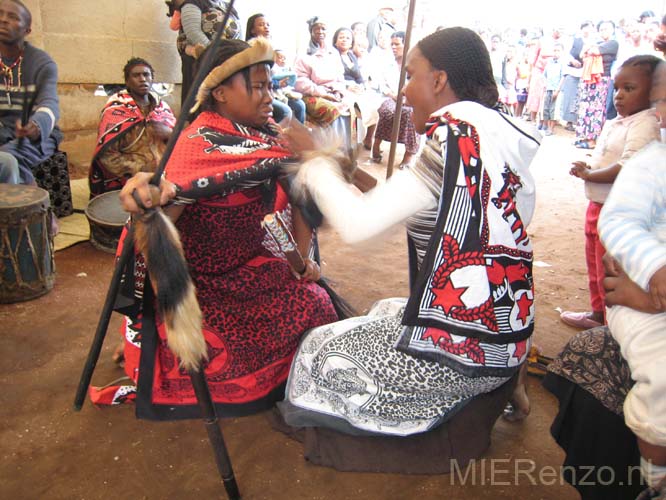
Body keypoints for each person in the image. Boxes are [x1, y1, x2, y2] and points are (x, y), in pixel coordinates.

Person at [278, 26, 540, 440]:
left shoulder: (453, 141)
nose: (403, 91)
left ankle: (454, 398)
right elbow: (409, 204)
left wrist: (315, 160)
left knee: (319, 350)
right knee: (385, 309)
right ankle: (510, 382)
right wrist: (344, 166)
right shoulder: (490, 137)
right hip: (506, 336)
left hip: (466, 353)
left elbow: (360, 228)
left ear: (439, 80)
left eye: (411, 75)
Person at [101, 38, 339, 416]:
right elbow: (152, 243)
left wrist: (301, 261)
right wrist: (156, 320)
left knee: (317, 303)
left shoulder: (269, 138)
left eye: (270, 86)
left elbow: (299, 199)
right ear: (222, 93)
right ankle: (149, 345)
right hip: (200, 283)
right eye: (258, 87)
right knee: (214, 350)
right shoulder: (193, 149)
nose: (268, 96)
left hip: (248, 266)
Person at [544, 61, 666, 500]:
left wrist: (651, 297)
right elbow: (627, 226)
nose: (660, 114)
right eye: (658, 101)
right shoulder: (654, 159)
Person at [597, 60, 666, 500]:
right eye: (661, 104)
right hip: (641, 285)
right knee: (663, 374)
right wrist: (656, 270)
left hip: (652, 298)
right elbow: (619, 221)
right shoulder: (653, 163)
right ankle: (656, 479)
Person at [560, 55, 662, 330]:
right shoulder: (617, 122)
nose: (618, 96)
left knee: (613, 270)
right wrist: (588, 165)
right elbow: (606, 157)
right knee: (595, 267)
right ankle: (598, 313)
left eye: (629, 89)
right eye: (616, 88)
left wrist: (590, 175)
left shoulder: (646, 123)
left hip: (620, 211)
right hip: (598, 206)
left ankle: (611, 327)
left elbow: (629, 164)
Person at [88, 58, 176, 197]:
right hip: (132, 181)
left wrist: (171, 133)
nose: (142, 79)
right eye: (136, 75)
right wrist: (141, 169)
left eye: (146, 75)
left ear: (152, 78)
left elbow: (181, 144)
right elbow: (107, 157)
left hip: (168, 176)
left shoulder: (162, 109)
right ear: (127, 82)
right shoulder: (115, 111)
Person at [0, 0, 62, 185]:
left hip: (34, 134)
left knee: (8, 159)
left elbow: (49, 103)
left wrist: (36, 125)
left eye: (12, 17)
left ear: (27, 30)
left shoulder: (42, 63)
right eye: (0, 14)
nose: (3, 20)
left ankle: (31, 210)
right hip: (3, 130)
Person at [175, 0, 240, 107]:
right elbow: (193, 32)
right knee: (201, 104)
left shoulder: (226, 5)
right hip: (201, 61)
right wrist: (216, 54)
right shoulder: (192, 3)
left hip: (225, 62)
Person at [370, 31, 420, 168]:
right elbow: (380, 83)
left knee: (411, 115)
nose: (393, 47)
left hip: (410, 100)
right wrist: (391, 94)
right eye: (391, 44)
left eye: (397, 44)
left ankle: (408, 155)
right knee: (387, 112)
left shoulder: (415, 65)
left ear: (406, 45)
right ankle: (376, 146)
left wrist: (407, 98)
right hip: (390, 97)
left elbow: (419, 86)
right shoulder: (387, 63)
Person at [245, 13, 306, 124]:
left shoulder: (271, 48)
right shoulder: (251, 49)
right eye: (261, 25)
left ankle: (297, 138)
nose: (266, 27)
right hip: (260, 92)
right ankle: (278, 140)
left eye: (268, 25)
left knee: (300, 105)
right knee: (285, 111)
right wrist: (277, 84)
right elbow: (255, 78)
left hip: (274, 89)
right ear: (252, 30)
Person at [293, 17, 349, 127]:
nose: (320, 31)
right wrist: (323, 94)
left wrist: (338, 92)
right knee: (331, 109)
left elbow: (340, 77)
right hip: (312, 94)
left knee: (354, 105)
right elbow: (300, 81)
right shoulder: (304, 53)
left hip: (333, 92)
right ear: (311, 31)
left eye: (323, 28)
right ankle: (329, 143)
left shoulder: (333, 53)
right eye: (316, 29)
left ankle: (348, 144)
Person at [573, 20, 619, 150]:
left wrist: (589, 48)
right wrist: (589, 48)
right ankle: (584, 137)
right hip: (589, 79)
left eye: (607, 29)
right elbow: (582, 55)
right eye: (602, 29)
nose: (604, 31)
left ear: (613, 30)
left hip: (601, 80)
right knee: (586, 109)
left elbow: (593, 51)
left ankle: (593, 140)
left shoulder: (613, 44)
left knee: (596, 110)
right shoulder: (598, 43)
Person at [540, 43, 564, 136]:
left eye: (558, 50)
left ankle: (551, 128)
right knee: (546, 108)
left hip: (556, 89)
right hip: (548, 88)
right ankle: (545, 126)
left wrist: (557, 90)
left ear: (562, 52)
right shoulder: (549, 62)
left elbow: (563, 77)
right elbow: (544, 75)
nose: (556, 52)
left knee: (554, 110)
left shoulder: (562, 63)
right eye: (554, 50)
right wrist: (545, 85)